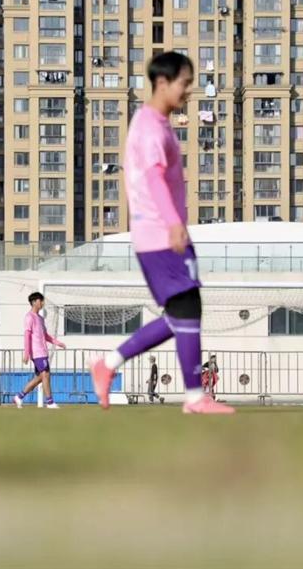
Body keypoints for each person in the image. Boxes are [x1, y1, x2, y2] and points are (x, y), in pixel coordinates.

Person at [89, 52, 234, 415]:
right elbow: (153, 177)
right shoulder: (151, 127)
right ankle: (194, 397)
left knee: (181, 314)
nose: (188, 91)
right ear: (163, 83)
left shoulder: (155, 122)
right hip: (159, 232)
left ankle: (108, 364)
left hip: (158, 232)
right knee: (187, 308)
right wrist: (172, 223)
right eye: (185, 83)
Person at [14, 291, 65, 409]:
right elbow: (27, 335)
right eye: (40, 301)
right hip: (37, 352)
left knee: (41, 377)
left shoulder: (41, 319)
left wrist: (58, 343)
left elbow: (45, 335)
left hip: (43, 351)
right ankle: (50, 402)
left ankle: (19, 397)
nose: (42, 303)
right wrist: (26, 353)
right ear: (34, 302)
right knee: (46, 375)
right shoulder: (29, 317)